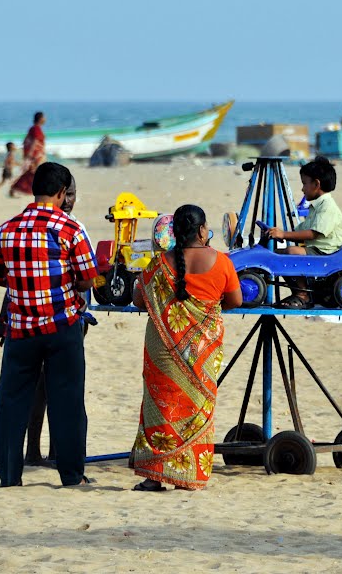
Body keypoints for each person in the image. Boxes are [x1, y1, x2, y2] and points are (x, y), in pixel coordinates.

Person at [0, 162, 99, 488]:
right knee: (68, 403)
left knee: (11, 404)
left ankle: (10, 476)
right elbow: (88, 278)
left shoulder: (6, 230)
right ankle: (71, 475)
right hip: (62, 327)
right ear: (62, 192)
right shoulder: (70, 230)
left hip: (20, 330)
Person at [129, 205, 243, 491]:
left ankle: (154, 476)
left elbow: (139, 300)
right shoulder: (222, 262)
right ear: (203, 230)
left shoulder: (158, 264)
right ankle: (189, 476)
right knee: (197, 409)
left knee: (160, 408)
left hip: (163, 350)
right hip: (203, 350)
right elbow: (235, 301)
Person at [263, 156, 342, 309]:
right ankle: (300, 291)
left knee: (290, 252)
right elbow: (301, 230)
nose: (302, 189)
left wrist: (283, 234)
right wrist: (275, 232)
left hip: (329, 252)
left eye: (304, 183)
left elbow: (313, 234)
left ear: (316, 184)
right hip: (319, 250)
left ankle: (303, 294)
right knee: (277, 254)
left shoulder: (327, 206)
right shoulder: (315, 207)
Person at [10, 112, 47, 195]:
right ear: (40, 119)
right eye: (44, 117)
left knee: (32, 172)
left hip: (36, 155)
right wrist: (30, 153)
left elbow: (25, 141)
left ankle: (15, 188)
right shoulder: (36, 128)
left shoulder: (33, 128)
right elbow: (35, 141)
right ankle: (16, 188)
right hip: (36, 156)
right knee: (36, 172)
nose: (45, 119)